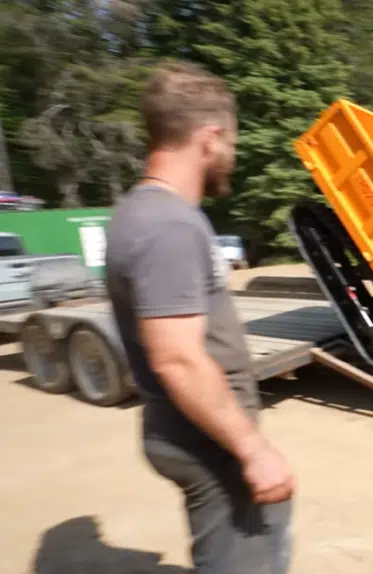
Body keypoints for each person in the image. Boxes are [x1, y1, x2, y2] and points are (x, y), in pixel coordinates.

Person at [104, 61, 294, 574]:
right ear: (209, 138)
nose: (231, 156)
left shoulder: (142, 213)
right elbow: (178, 360)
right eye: (230, 142)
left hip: (194, 429)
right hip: (206, 440)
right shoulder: (167, 225)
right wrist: (253, 450)